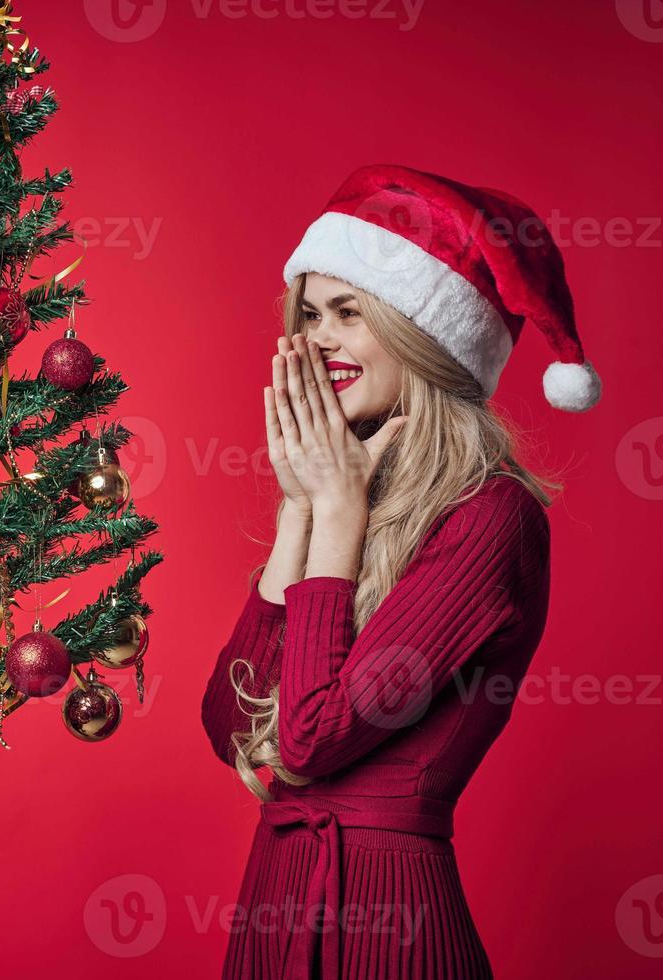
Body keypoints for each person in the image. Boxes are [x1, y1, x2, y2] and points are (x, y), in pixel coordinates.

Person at [200, 164, 601, 978]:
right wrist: (300, 512)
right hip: (275, 901)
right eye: (308, 313)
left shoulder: (492, 517)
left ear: (426, 334)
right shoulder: (340, 492)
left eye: (349, 313)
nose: (317, 339)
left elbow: (306, 744)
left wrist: (336, 513)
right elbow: (229, 727)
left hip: (389, 921)